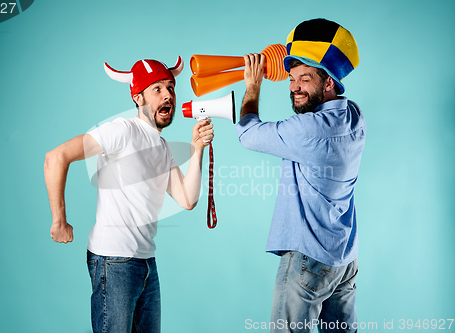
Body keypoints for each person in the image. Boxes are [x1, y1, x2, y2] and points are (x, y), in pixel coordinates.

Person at [44, 56, 214, 333]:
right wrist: (58, 220)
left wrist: (197, 149)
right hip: (114, 261)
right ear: (138, 98)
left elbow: (187, 199)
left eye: (170, 87)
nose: (167, 94)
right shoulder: (121, 130)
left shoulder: (161, 146)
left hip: (147, 263)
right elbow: (56, 157)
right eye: (157, 89)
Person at [236, 19, 366, 332]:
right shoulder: (353, 116)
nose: (294, 87)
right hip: (344, 259)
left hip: (308, 258)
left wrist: (253, 85)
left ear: (329, 83)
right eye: (292, 78)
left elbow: (248, 134)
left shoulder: (308, 129)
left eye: (304, 78)